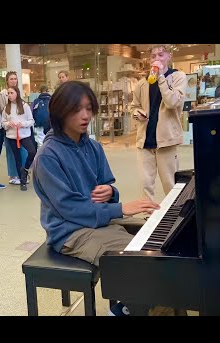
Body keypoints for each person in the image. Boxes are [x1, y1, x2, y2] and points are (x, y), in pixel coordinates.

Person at [33, 81, 160, 315]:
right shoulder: (47, 156)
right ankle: (128, 308)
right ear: (60, 112)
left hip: (98, 220)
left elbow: (108, 188)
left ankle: (131, 305)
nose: (85, 116)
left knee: (156, 244)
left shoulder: (93, 147)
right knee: (136, 259)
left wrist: (112, 193)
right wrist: (121, 208)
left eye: (89, 108)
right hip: (70, 231)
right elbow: (70, 209)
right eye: (76, 109)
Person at [130, 44, 187, 201]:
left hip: (166, 140)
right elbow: (133, 106)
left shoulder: (178, 77)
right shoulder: (142, 83)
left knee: (170, 184)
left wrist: (161, 77)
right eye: (153, 56)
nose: (156, 59)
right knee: (145, 184)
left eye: (161, 55)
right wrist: (136, 113)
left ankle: (175, 217)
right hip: (144, 140)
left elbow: (172, 102)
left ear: (169, 56)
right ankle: (148, 218)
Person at [2, 86, 36, 191]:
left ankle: (25, 170)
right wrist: (8, 124)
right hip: (12, 137)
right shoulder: (6, 108)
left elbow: (31, 120)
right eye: (8, 93)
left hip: (24, 135)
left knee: (32, 152)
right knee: (17, 158)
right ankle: (22, 181)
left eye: (11, 93)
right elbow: (3, 123)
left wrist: (23, 124)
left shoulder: (24, 106)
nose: (9, 95)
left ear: (17, 93)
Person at [0, 71, 28, 186]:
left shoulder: (19, 93)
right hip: (10, 129)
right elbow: (3, 110)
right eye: (11, 79)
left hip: (21, 129)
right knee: (11, 152)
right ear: (7, 81)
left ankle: (22, 173)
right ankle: (13, 175)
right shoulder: (3, 94)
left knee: (23, 151)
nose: (14, 81)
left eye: (15, 79)